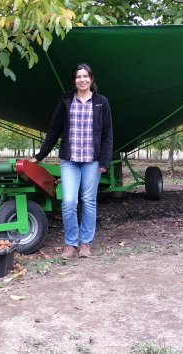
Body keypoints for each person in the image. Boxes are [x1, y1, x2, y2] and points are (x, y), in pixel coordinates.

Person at [31, 63, 113, 259]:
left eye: (85, 76)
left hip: (92, 161)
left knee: (89, 201)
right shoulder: (66, 100)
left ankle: (86, 243)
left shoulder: (102, 102)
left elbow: (107, 134)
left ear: (91, 80)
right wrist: (39, 156)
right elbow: (54, 130)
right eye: (78, 77)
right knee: (68, 202)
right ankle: (70, 243)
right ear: (74, 81)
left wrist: (105, 161)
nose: (82, 80)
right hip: (70, 160)